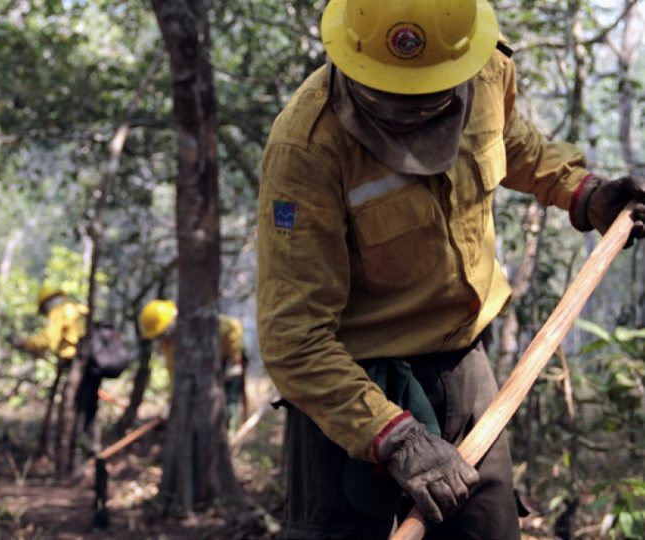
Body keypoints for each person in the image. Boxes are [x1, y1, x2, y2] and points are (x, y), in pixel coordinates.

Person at [256, 1, 645, 538]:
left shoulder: (483, 70)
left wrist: (583, 192)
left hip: (463, 370)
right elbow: (294, 340)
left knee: (487, 528)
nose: (413, 113)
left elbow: (509, 139)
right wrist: (393, 435)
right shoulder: (307, 147)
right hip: (345, 386)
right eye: (395, 97)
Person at [12, 286, 100, 455]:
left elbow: (48, 340)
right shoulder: (77, 307)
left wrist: (25, 343)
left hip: (79, 364)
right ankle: (91, 447)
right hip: (94, 363)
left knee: (75, 408)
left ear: (46, 304)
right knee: (89, 407)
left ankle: (75, 451)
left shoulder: (59, 310)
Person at [139, 299, 247, 433]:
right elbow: (173, 371)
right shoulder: (169, 344)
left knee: (228, 403)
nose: (161, 339)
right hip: (202, 373)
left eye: (162, 334)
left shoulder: (199, 324)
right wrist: (171, 401)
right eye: (158, 337)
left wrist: (233, 358)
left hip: (227, 361)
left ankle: (228, 434)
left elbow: (234, 326)